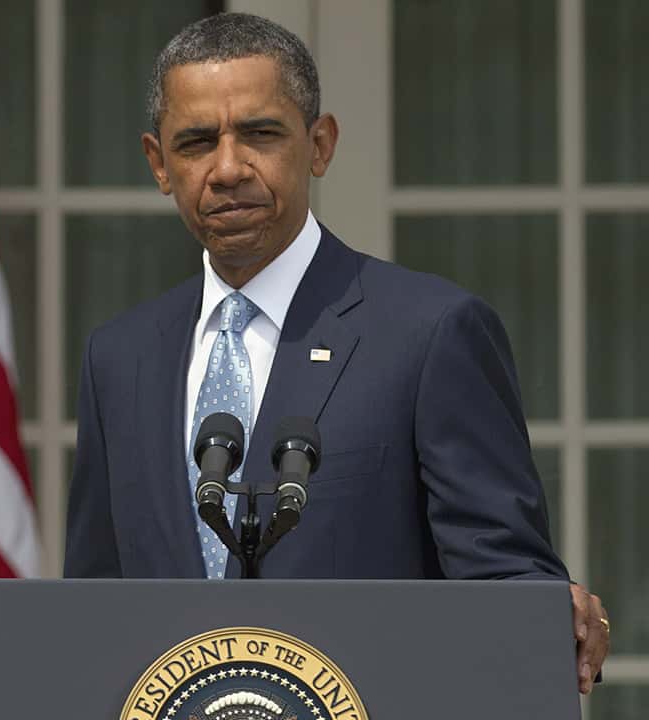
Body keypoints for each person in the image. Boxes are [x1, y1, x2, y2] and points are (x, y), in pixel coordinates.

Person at [61, 13, 610, 694]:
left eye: (261, 134)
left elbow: (503, 583)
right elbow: (89, 609)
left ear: (320, 145)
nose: (228, 168)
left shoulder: (431, 332)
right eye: (197, 142)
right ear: (158, 164)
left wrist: (545, 610)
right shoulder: (119, 357)